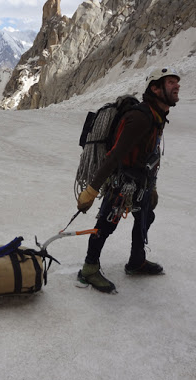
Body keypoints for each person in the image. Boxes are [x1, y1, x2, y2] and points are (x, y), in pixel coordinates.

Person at [76, 67, 181, 293]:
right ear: (155, 88)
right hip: (123, 181)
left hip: (141, 181)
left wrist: (152, 186)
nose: (177, 86)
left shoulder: (157, 115)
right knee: (106, 224)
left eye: (177, 82)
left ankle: (136, 260)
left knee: (145, 215)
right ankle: (89, 269)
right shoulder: (141, 118)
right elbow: (115, 155)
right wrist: (92, 190)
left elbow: (150, 152)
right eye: (171, 82)